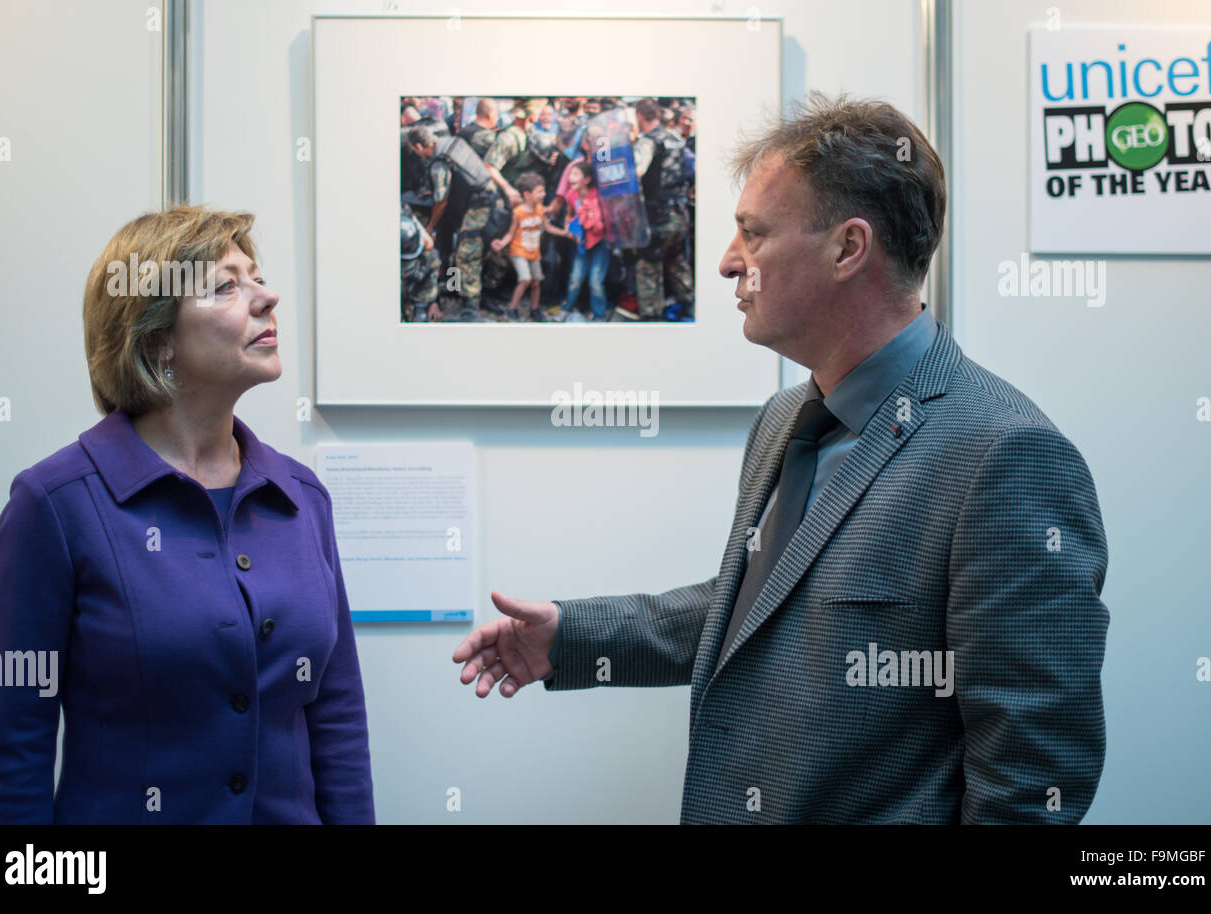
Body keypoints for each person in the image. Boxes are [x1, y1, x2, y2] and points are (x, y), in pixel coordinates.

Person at [452, 92, 1110, 824]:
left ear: (848, 248)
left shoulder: (1008, 456)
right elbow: (763, 612)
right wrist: (574, 637)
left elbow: (1032, 778)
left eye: (753, 234)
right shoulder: (783, 421)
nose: (730, 263)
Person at [0, 205, 375, 823]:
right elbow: (14, 758)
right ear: (157, 337)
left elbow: (338, 718)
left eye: (258, 276)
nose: (267, 297)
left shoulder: (301, 497)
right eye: (227, 285)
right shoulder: (54, 505)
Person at [408, 125, 497, 321]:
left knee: (467, 251)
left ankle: (472, 306)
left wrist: (430, 227)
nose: (416, 154)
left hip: (478, 202)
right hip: (476, 198)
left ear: (419, 146)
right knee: (453, 248)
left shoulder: (439, 162)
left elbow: (441, 201)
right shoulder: (452, 143)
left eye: (414, 150)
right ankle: (454, 287)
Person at [632, 97, 693, 321]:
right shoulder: (675, 138)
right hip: (680, 213)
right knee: (677, 261)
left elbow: (637, 171)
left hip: (659, 217)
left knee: (648, 266)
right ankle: (688, 304)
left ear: (639, 116)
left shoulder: (648, 141)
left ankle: (651, 316)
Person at [490, 172, 570, 321]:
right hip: (518, 251)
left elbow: (548, 227)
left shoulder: (540, 209)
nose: (544, 194)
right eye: (539, 191)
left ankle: (534, 309)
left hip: (534, 252)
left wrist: (565, 233)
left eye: (543, 190)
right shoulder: (518, 212)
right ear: (527, 194)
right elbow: (510, 233)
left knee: (536, 282)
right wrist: (502, 243)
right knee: (525, 279)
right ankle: (512, 308)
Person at [554, 161, 610, 321]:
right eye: (570, 174)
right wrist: (568, 227)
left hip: (600, 243)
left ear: (586, 179)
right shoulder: (571, 194)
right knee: (575, 278)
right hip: (581, 243)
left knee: (595, 282)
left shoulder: (597, 195)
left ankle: (599, 315)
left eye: (575, 174)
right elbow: (569, 214)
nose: (570, 177)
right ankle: (567, 308)